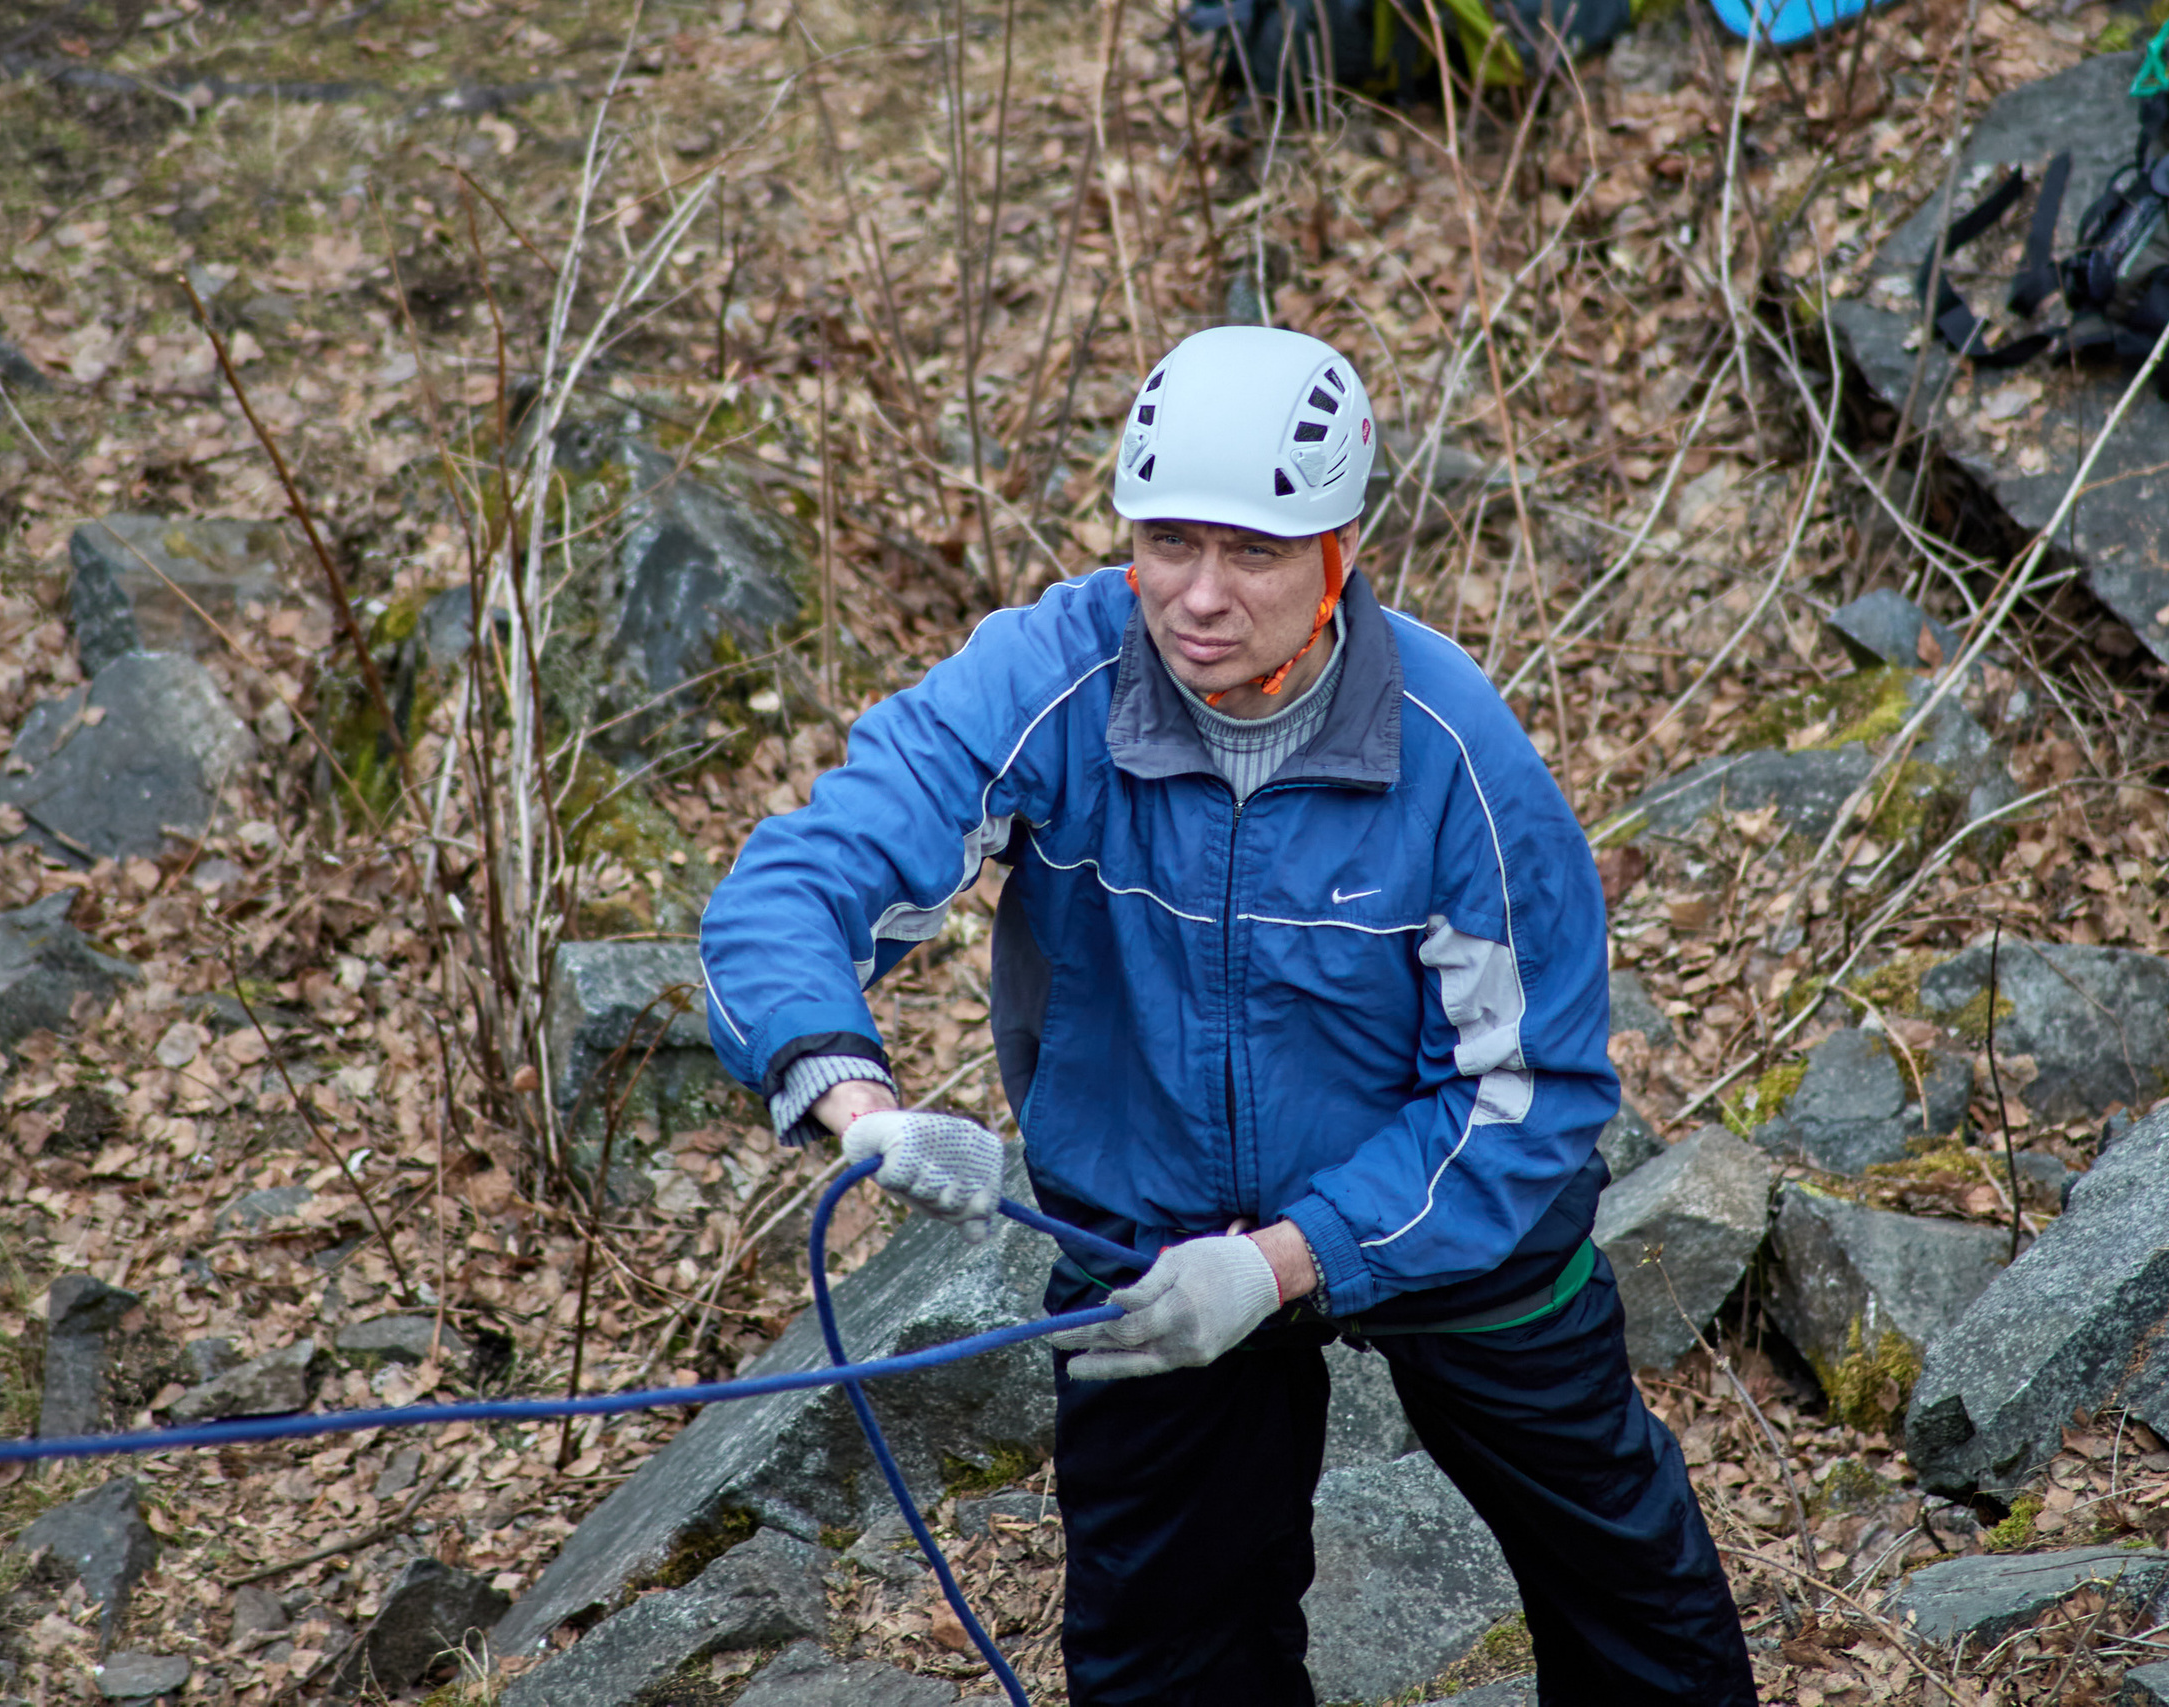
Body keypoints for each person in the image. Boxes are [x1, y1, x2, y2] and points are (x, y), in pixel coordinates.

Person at [697, 325, 1752, 1705]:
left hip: (1437, 1206)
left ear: (1340, 550)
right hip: (1151, 1211)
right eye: (1168, 541)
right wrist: (860, 1103)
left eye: (1252, 552)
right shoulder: (1049, 680)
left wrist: (1286, 1262)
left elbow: (1531, 1099)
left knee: (1627, 1587)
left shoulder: (1454, 755)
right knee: (1164, 1653)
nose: (1198, 596)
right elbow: (799, 883)